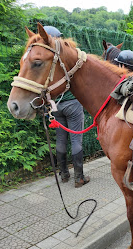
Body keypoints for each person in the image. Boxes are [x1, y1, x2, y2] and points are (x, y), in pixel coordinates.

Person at [43, 26, 90, 187]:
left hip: (55, 104)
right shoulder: (70, 58)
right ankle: (79, 178)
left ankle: (64, 175)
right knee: (76, 139)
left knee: (61, 139)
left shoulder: (48, 61)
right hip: (73, 104)